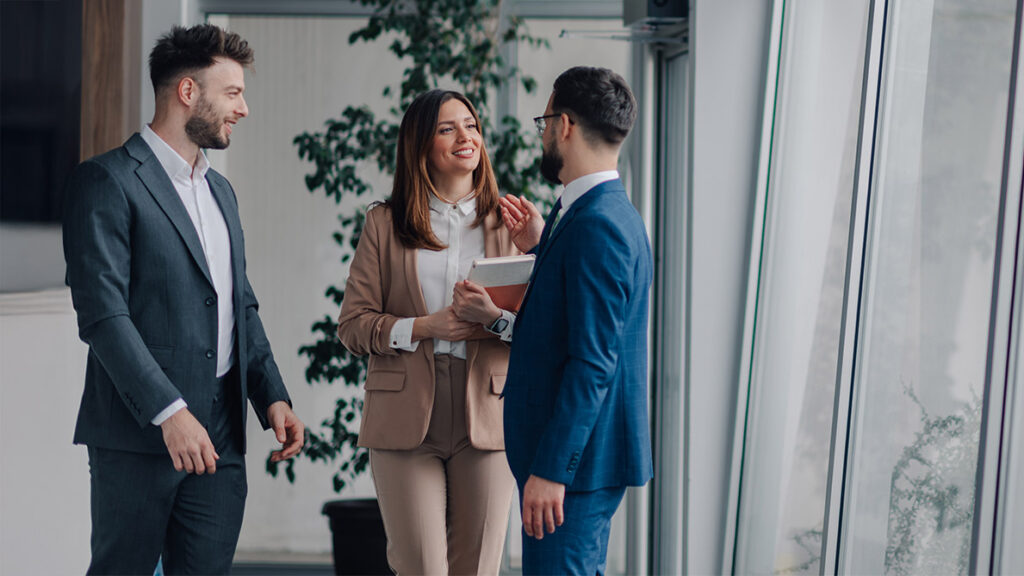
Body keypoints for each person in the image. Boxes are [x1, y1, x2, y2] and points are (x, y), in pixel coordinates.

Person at [62, 24, 304, 574]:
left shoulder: (221, 190)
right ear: (188, 92)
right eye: (234, 93)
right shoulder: (106, 181)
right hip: (139, 435)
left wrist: (272, 396)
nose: (243, 109)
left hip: (222, 438)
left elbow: (239, 302)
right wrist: (169, 413)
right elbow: (103, 315)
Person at [337, 89, 519, 575]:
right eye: (447, 128)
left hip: (489, 413)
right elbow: (353, 326)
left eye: (472, 125)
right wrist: (424, 327)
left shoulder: (513, 222)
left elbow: (543, 331)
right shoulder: (384, 223)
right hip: (404, 414)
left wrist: (494, 319)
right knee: (419, 567)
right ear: (420, 145)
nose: (466, 137)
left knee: (477, 568)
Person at [499, 66, 654, 575]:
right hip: (581, 464)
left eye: (544, 121)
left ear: (563, 125)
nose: (543, 134)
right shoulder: (601, 213)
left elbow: (592, 361)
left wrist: (550, 469)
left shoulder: (597, 226)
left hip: (574, 469)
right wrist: (544, 246)